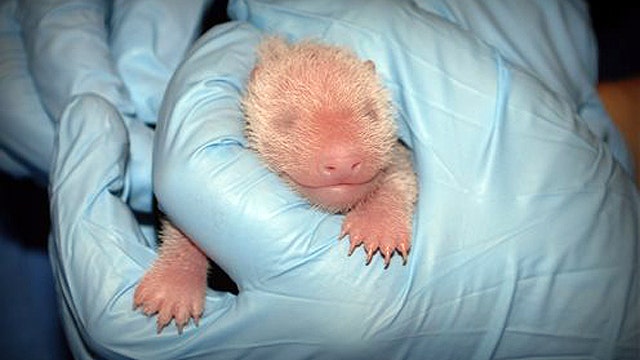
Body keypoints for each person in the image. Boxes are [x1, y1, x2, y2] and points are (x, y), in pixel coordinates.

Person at [2, 0, 638, 359]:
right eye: (286, 122)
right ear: (248, 108)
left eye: (365, 115)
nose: (341, 154)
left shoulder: (394, 136)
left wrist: (386, 202)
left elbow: (399, 167)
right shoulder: (236, 122)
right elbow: (192, 212)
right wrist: (183, 265)